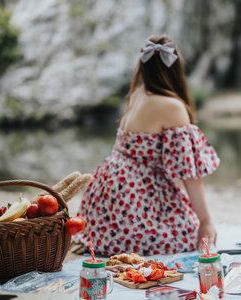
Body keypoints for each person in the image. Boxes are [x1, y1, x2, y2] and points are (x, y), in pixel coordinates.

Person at [73, 35, 220, 256]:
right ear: (175, 67)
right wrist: (206, 220)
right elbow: (189, 173)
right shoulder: (171, 105)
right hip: (134, 194)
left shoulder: (136, 94)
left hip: (106, 191)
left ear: (142, 66)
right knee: (188, 236)